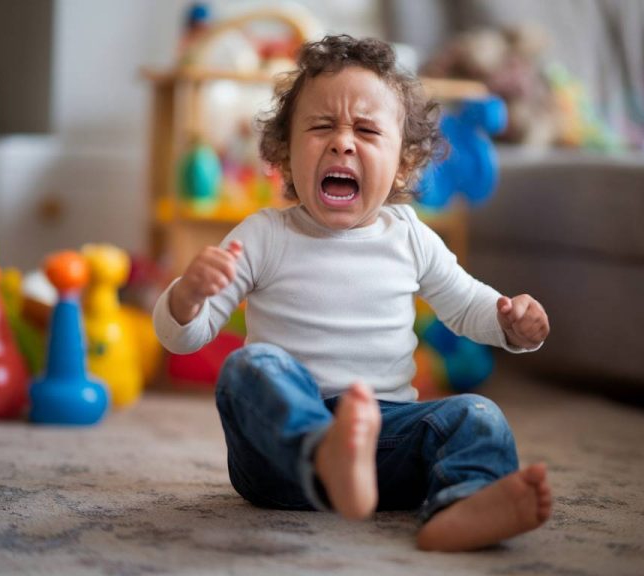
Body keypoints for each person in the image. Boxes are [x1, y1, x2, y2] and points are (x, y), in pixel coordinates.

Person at [153, 34, 552, 552]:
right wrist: (188, 294)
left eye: (365, 130)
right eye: (321, 127)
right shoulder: (263, 235)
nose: (342, 142)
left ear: (405, 164)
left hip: (385, 445)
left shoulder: (409, 235)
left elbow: (469, 305)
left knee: (477, 415)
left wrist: (511, 323)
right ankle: (327, 454)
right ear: (283, 153)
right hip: (282, 458)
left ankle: (464, 505)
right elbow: (183, 337)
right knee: (249, 369)